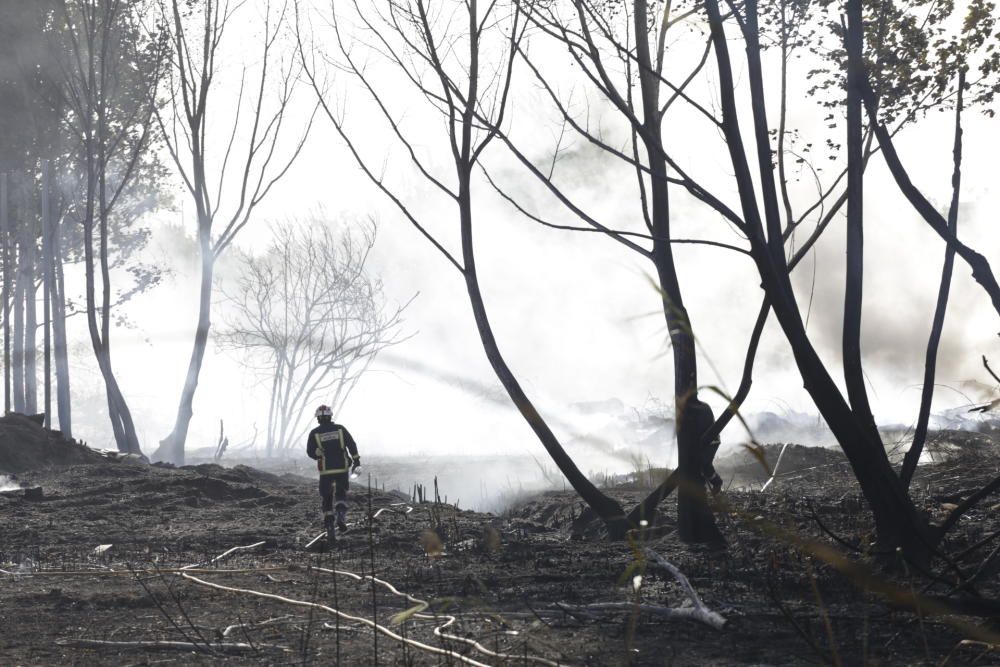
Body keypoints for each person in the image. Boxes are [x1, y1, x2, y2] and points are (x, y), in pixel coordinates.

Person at [306, 405, 361, 542]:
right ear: (331, 416)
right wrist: (356, 461)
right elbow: (351, 444)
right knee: (341, 493)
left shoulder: (314, 433)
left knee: (327, 497)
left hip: (325, 470)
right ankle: (341, 515)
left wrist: (315, 454)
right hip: (342, 468)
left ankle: (330, 526)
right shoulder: (340, 429)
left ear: (318, 418)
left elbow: (310, 452)